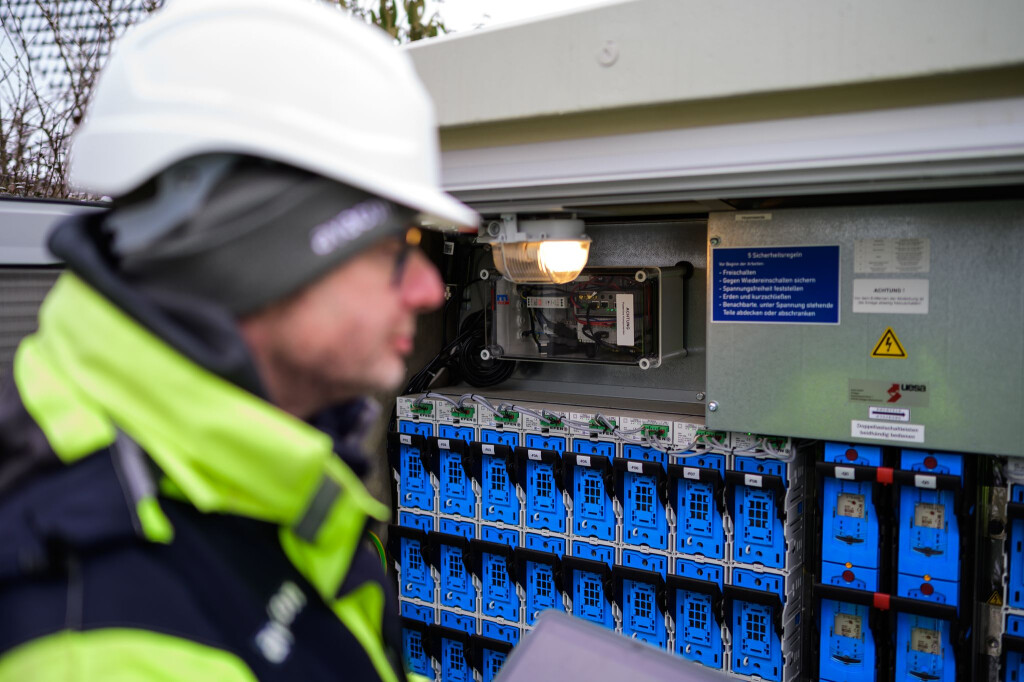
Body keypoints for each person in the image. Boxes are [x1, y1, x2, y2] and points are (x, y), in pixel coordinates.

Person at [0, 0, 477, 680]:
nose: (429, 290)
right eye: (396, 246)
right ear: (260, 254)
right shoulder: (103, 639)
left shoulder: (260, 457)